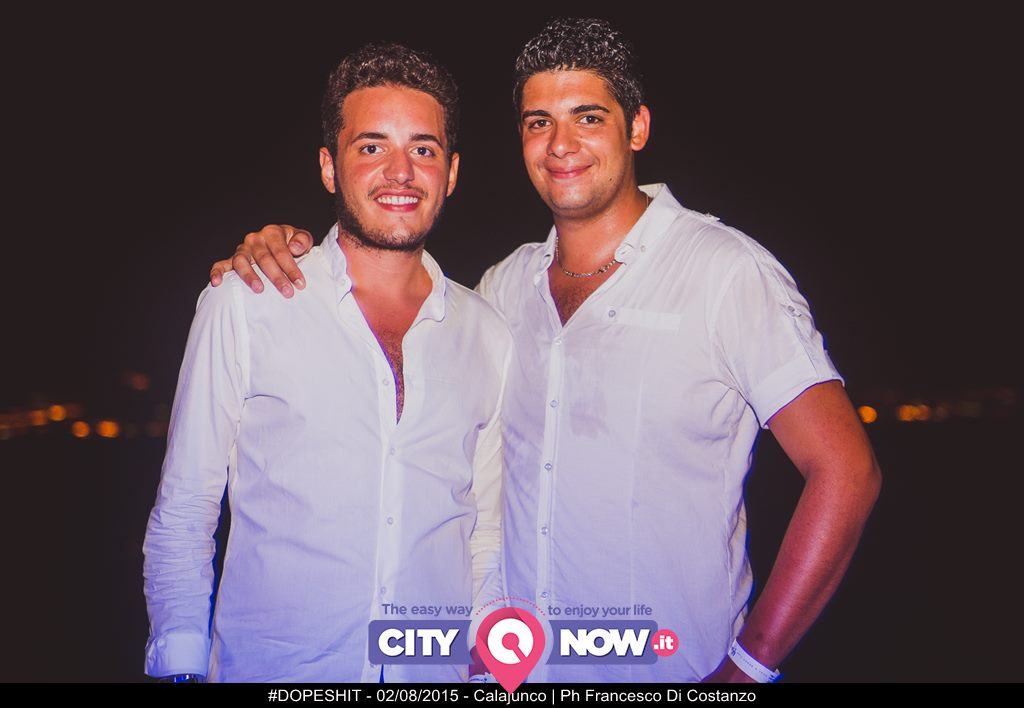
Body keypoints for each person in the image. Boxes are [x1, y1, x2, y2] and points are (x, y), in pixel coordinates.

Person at [210, 18, 882, 683]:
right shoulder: (503, 290)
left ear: (637, 127)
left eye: (588, 117)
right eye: (539, 123)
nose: (561, 144)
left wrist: (749, 667)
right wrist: (285, 249)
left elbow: (845, 472)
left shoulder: (725, 273)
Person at [144, 42, 512, 683]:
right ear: (329, 167)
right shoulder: (247, 302)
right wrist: (180, 666)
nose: (400, 172)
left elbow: (485, 532)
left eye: (423, 149)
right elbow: (185, 509)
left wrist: (490, 670)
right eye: (371, 147)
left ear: (451, 173)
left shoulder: (487, 333)